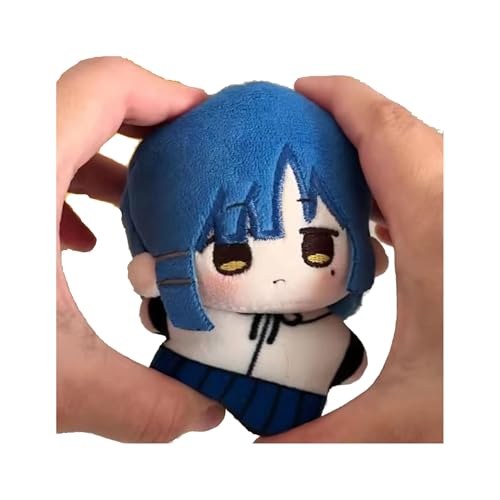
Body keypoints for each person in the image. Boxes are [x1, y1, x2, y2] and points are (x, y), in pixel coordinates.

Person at [57, 57, 442, 443]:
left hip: (288, 401)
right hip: (193, 369)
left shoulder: (329, 343)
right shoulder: (185, 316)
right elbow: (157, 314)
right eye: (230, 255)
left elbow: (350, 363)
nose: (279, 276)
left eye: (318, 249)